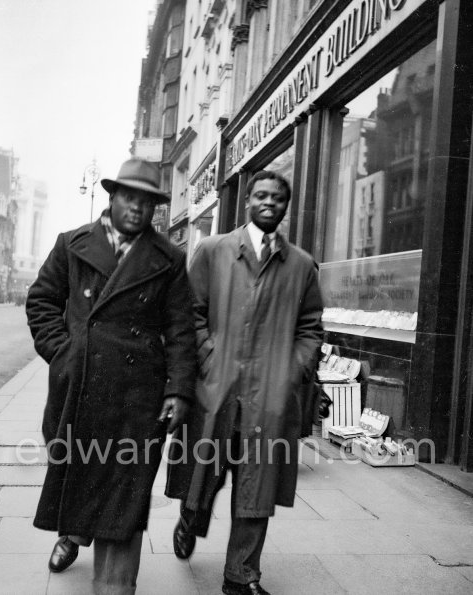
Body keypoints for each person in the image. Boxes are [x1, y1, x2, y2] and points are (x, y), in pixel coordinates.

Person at [26, 157, 196, 595]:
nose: (138, 209)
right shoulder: (72, 244)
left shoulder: (169, 259)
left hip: (138, 396)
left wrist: (178, 390)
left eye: (147, 202)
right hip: (79, 389)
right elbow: (42, 302)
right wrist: (64, 355)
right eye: (129, 198)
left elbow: (180, 328)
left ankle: (114, 588)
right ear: (113, 197)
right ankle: (74, 535)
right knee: (81, 476)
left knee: (125, 494)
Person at [166, 170, 324, 595]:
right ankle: (190, 521)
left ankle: (242, 575)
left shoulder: (302, 265)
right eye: (260, 195)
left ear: (286, 206)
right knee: (206, 475)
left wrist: (291, 371)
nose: (268, 202)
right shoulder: (214, 250)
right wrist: (209, 355)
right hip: (217, 390)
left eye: (277, 197)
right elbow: (189, 312)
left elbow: (311, 328)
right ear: (248, 201)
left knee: (257, 485)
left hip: (268, 398)